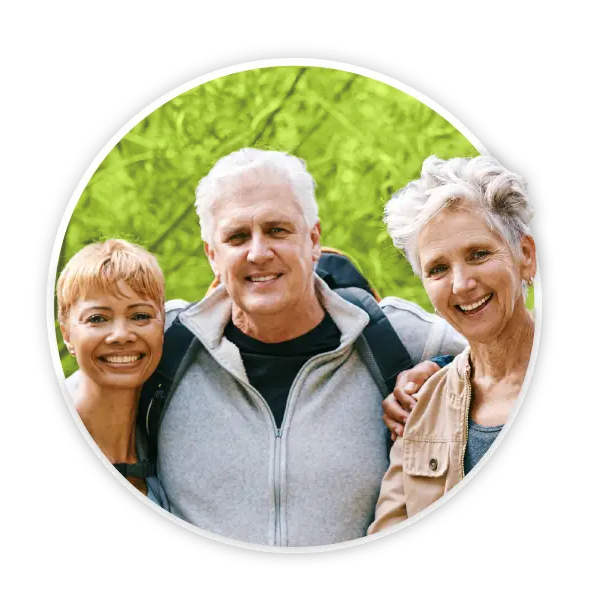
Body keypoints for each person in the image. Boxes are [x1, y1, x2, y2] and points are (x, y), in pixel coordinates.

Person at [152, 148, 466, 546]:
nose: (258, 252)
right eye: (236, 236)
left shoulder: (398, 339)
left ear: (313, 239)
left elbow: (514, 360)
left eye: (277, 229)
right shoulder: (162, 347)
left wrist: (440, 369)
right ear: (212, 255)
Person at [368, 155, 537, 533]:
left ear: (525, 255)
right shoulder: (422, 406)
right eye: (438, 269)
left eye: (478, 254)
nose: (461, 284)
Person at [58, 239, 169, 509]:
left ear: (162, 324)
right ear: (67, 334)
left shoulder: (166, 453)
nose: (121, 335)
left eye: (140, 316)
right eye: (97, 319)